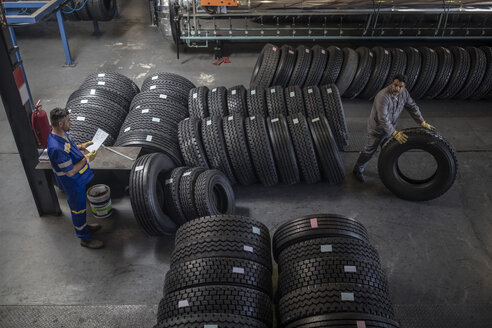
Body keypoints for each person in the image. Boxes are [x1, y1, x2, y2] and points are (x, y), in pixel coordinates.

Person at [353, 74, 436, 182]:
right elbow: (382, 118)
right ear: (392, 83)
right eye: (395, 85)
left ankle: (389, 173)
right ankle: (358, 170)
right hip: (377, 130)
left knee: (390, 151)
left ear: (404, 87)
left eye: (400, 86)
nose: (397, 88)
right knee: (369, 151)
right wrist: (394, 133)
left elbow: (412, 107)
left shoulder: (404, 94)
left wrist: (422, 122)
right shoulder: (383, 96)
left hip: (391, 129)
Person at [47, 108, 104, 249]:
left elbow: (69, 148)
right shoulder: (57, 148)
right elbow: (70, 172)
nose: (70, 122)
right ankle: (84, 238)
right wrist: (86, 159)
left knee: (82, 208)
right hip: (72, 183)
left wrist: (82, 146)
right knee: (78, 210)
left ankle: (85, 226)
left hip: (77, 181)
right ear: (60, 124)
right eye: (68, 120)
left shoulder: (60, 135)